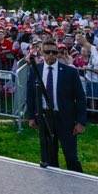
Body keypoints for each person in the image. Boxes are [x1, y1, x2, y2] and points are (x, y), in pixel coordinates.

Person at [25, 39, 87, 173]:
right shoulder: (36, 69)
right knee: (49, 156)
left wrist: (81, 122)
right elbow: (30, 94)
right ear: (42, 52)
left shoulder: (69, 72)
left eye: (54, 52)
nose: (51, 55)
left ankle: (80, 182)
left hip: (65, 118)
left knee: (71, 156)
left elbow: (80, 97)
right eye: (48, 52)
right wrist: (31, 117)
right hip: (45, 118)